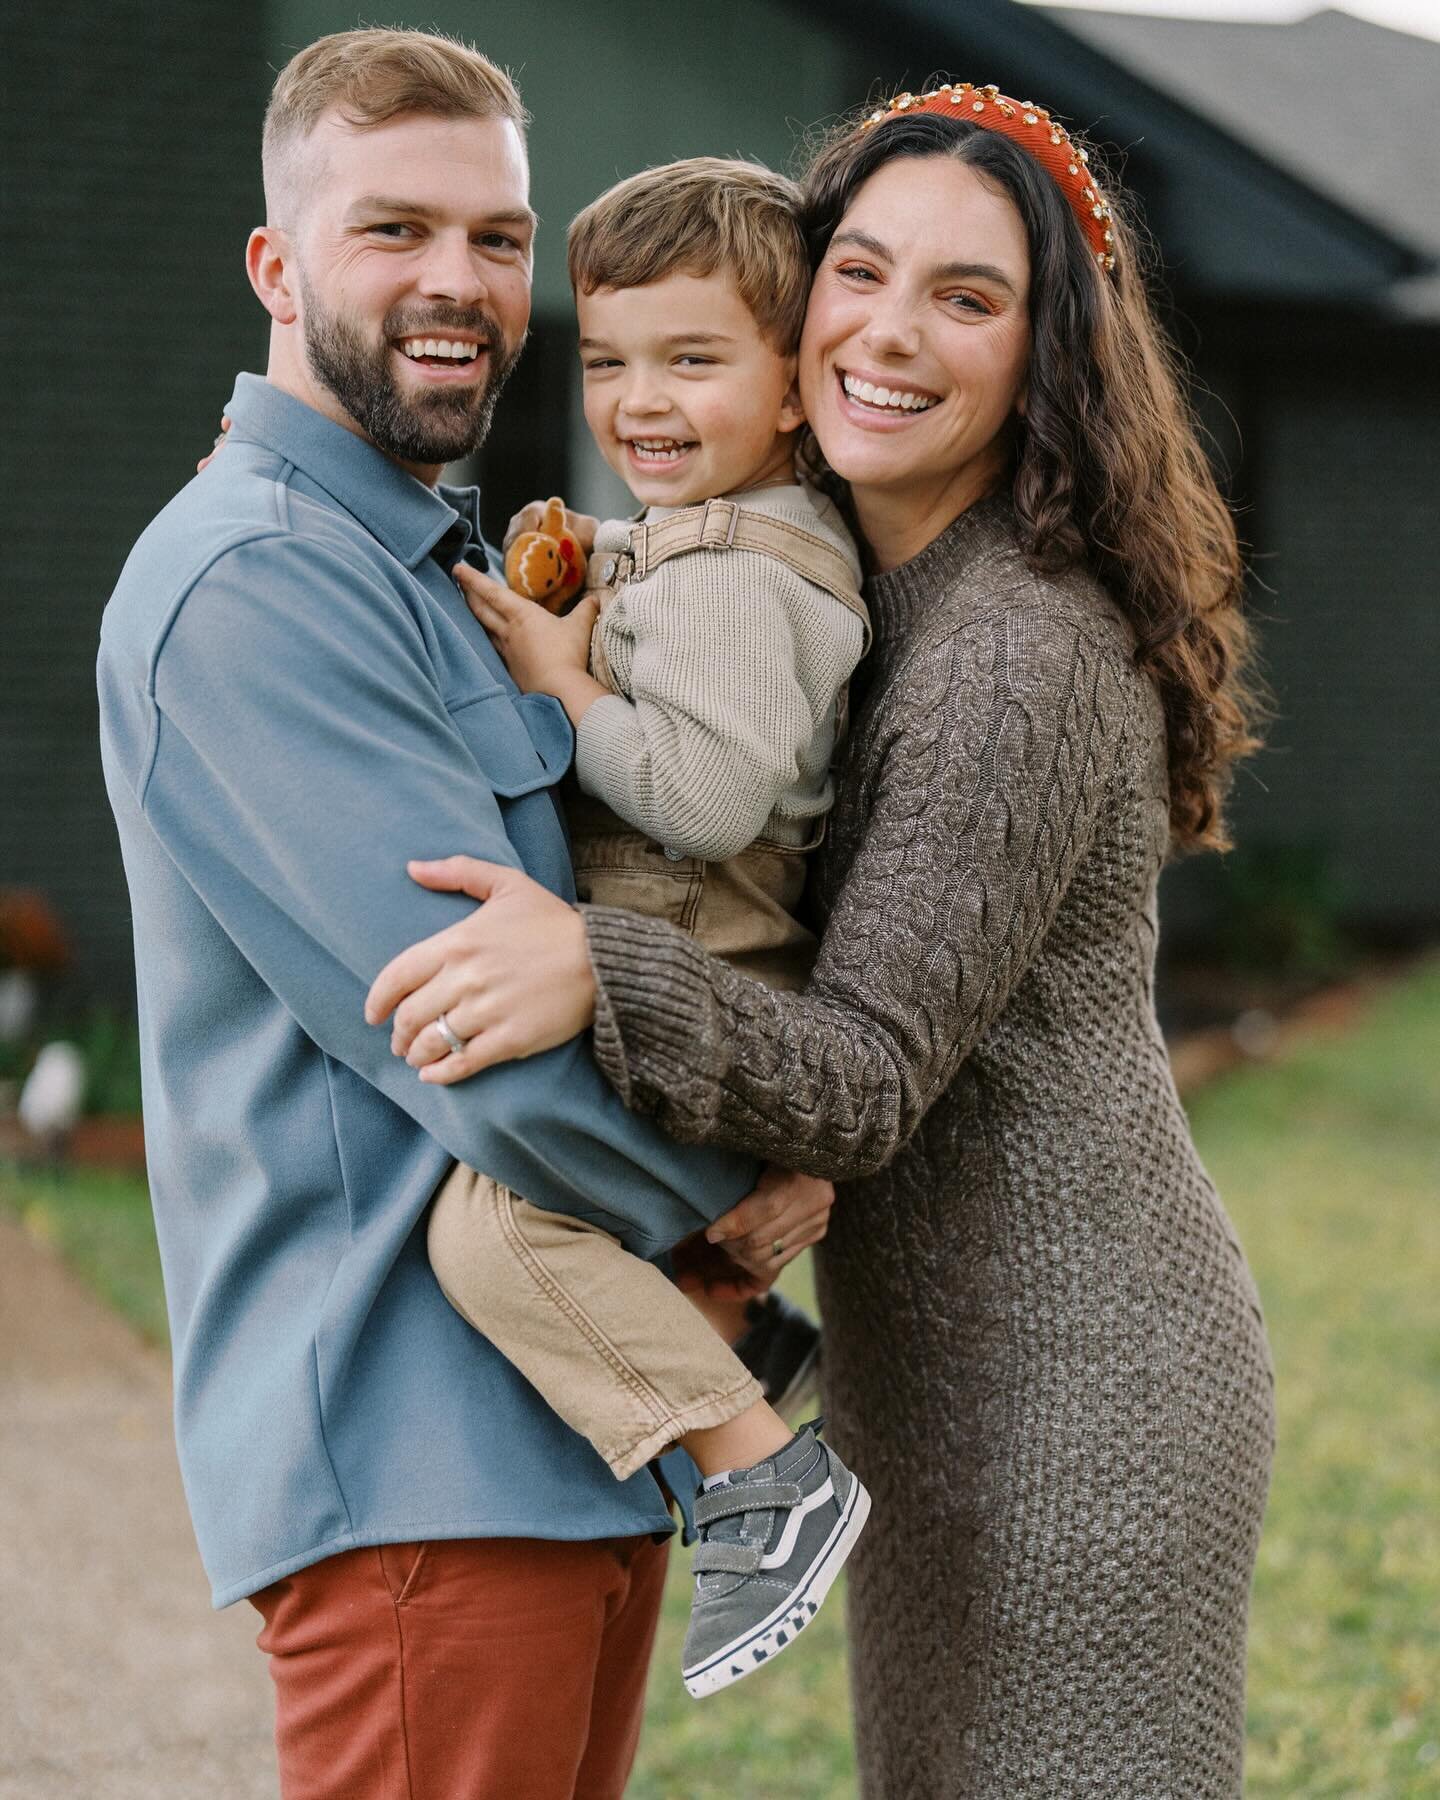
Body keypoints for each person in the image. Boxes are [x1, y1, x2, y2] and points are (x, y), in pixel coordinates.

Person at [369, 81, 1278, 1797]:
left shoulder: (1018, 650)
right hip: (929, 1383)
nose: (892, 333)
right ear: (798, 307)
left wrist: (594, 965)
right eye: (863, 271)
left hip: (1080, 1397)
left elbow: (864, 1072)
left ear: (1049, 353)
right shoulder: (846, 576)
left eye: (970, 296)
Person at [96, 27, 832, 1799]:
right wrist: (739, 1209)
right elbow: (475, 1048)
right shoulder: (261, 582)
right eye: (394, 230)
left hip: (579, 1430)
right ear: (277, 265)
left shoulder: (444, 570)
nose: (461, 283)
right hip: (418, 1460)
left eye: (498, 239)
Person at [411, 156, 872, 1698]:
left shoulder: (746, 569)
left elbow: (705, 792)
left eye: (693, 359)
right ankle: (745, 1348)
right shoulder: (711, 534)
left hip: (708, 972)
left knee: (491, 1228)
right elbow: (660, 592)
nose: (637, 399)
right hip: (677, 966)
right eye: (608, 359)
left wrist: (566, 684)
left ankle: (763, 1474)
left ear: (797, 385)